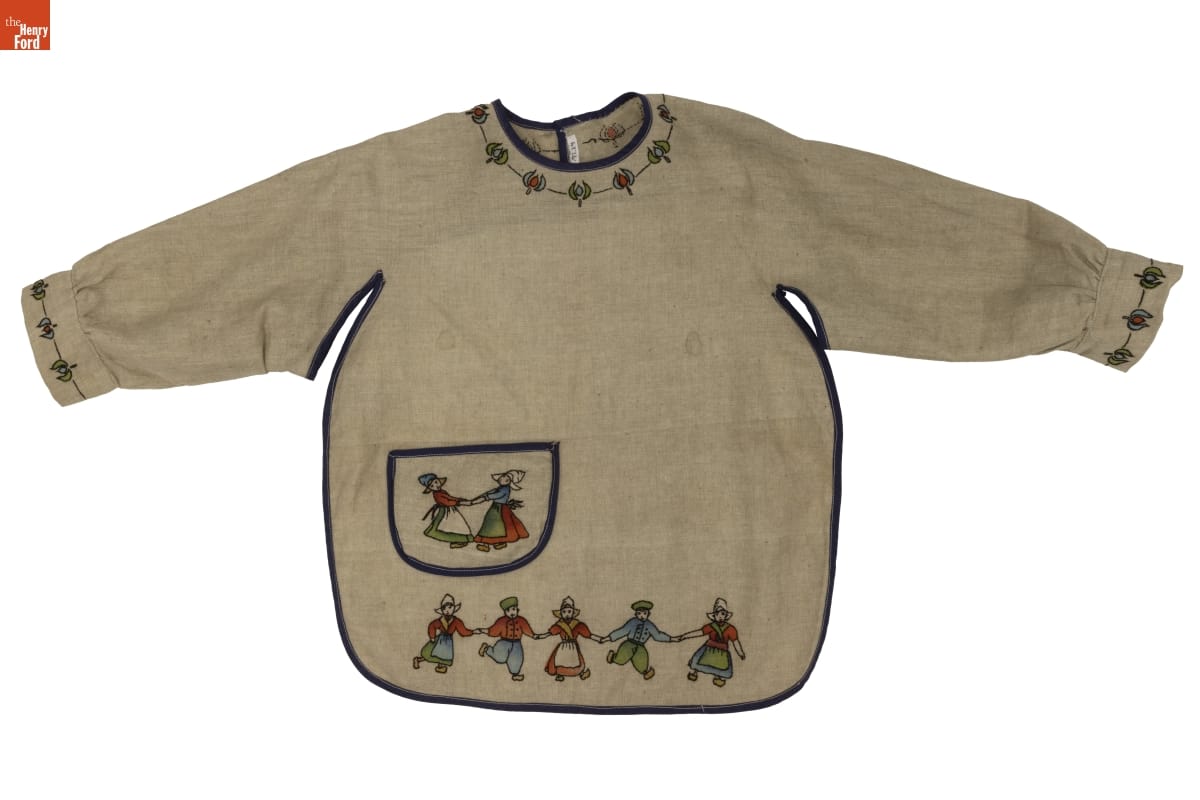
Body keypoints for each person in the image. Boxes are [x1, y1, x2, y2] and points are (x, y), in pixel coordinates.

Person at [675, 598, 745, 687]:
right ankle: (694, 672)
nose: (720, 616)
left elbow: (735, 642)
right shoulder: (711, 627)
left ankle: (718, 677)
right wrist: (684, 636)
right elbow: (699, 632)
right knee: (698, 660)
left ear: (726, 615)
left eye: (723, 614)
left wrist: (740, 653)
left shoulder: (731, 629)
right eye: (717, 614)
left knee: (721, 665)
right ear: (714, 616)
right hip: (708, 649)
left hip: (722, 652)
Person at [598, 600, 672, 680]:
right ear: (636, 614)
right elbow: (622, 631)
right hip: (629, 643)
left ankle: (645, 672)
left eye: (644, 613)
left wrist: (671, 639)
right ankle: (613, 658)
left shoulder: (649, 625)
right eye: (639, 613)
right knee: (621, 659)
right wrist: (607, 638)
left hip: (641, 646)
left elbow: (657, 635)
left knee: (642, 660)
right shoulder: (632, 622)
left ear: (648, 614)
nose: (642, 616)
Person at [476, 596, 544, 681]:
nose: (511, 612)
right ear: (505, 612)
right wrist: (483, 630)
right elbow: (493, 630)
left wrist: (534, 636)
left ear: (517, 609)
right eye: (508, 610)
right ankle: (486, 648)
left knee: (517, 659)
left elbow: (527, 630)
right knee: (500, 658)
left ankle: (515, 675)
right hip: (504, 642)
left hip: (517, 644)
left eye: (513, 609)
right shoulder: (502, 621)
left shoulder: (521, 620)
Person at [413, 594, 474, 674]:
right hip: (439, 640)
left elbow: (463, 631)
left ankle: (440, 666)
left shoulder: (456, 621)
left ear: (454, 608)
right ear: (442, 610)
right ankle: (418, 659)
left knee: (443, 655)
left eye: (450, 607)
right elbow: (432, 626)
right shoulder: (440, 620)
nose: (447, 611)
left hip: (448, 642)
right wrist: (432, 636)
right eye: (444, 608)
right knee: (430, 653)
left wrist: (473, 632)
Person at [543, 596, 599, 681]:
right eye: (564, 612)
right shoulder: (559, 625)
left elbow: (588, 635)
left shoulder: (577, 624)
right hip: (563, 646)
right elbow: (550, 633)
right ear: (561, 613)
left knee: (576, 662)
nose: (567, 614)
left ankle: (581, 673)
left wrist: (599, 639)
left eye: (569, 611)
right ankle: (560, 674)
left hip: (573, 646)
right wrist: (539, 636)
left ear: (573, 612)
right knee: (560, 660)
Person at [472, 470, 529, 552]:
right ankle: (497, 542)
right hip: (497, 507)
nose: (502, 480)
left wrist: (486, 497)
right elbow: (492, 491)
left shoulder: (505, 489)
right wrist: (485, 495)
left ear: (509, 481)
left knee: (493, 524)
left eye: (506, 480)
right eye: (501, 479)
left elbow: (497, 494)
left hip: (500, 509)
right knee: (496, 524)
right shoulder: (501, 488)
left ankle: (488, 544)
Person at [418, 473, 476, 547]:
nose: (436, 485)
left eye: (436, 482)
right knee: (451, 525)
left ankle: (460, 540)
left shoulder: (441, 491)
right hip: (444, 511)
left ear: (438, 480)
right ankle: (462, 540)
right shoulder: (437, 494)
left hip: (448, 509)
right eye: (432, 486)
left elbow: (450, 498)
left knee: (453, 525)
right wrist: (458, 502)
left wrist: (459, 500)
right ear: (430, 488)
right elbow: (447, 501)